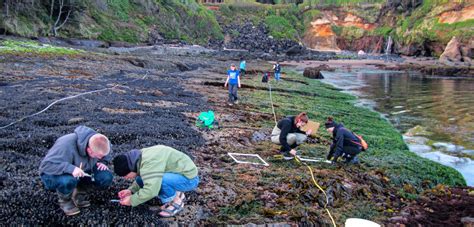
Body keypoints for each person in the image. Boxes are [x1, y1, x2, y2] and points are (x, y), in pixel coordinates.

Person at [39, 126, 113, 216]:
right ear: (89, 150)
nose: (100, 158)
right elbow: (46, 166)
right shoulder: (65, 144)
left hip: (82, 171)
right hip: (55, 174)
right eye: (98, 157)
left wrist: (103, 162)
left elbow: (106, 153)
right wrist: (71, 169)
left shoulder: (100, 141)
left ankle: (79, 194)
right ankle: (65, 201)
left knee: (105, 177)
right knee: (67, 181)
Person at [113, 145, 199, 218]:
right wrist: (131, 191)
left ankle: (175, 202)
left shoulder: (149, 163)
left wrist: (131, 200)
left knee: (161, 181)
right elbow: (145, 177)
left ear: (130, 170)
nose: (125, 178)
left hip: (189, 179)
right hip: (177, 172)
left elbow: (151, 190)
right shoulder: (137, 158)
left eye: (125, 175)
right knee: (140, 178)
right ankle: (177, 192)